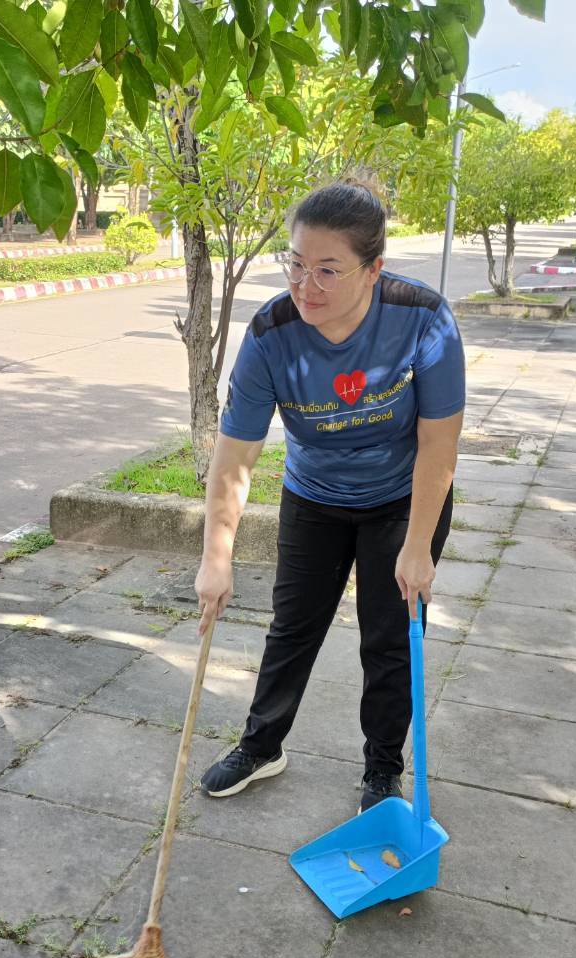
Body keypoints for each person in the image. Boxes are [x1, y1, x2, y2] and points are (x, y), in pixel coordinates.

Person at [194, 179, 466, 814]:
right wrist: (216, 556)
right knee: (292, 626)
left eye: (327, 270)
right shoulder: (272, 334)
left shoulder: (423, 320)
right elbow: (235, 455)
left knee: (389, 637)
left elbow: (439, 446)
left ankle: (382, 769)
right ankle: (262, 745)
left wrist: (417, 547)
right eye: (295, 263)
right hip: (314, 494)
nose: (305, 285)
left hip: (402, 497)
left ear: (373, 269)